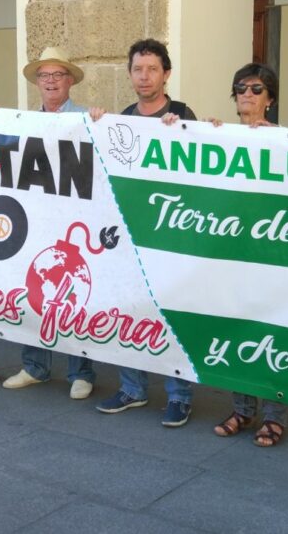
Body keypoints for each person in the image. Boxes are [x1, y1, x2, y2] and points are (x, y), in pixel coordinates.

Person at [96, 39, 197, 427]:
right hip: (130, 233)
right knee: (127, 310)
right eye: (138, 69)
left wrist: (188, 131)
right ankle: (132, 389)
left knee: (171, 315)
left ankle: (179, 395)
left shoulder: (185, 114)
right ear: (130, 74)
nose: (144, 76)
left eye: (152, 69)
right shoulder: (120, 118)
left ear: (166, 74)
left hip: (171, 236)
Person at [0, 47, 102, 399]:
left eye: (58, 75)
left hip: (74, 221)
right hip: (36, 222)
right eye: (45, 76)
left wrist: (105, 123)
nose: (51, 81)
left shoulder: (88, 118)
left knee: (75, 292)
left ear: (70, 81)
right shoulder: (23, 122)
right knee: (36, 289)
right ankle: (35, 367)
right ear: (37, 82)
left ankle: (80, 372)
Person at [201, 63, 288, 447]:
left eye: (257, 89)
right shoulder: (220, 135)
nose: (248, 95)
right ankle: (242, 409)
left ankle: (274, 416)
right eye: (241, 88)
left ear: (270, 98)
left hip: (270, 251)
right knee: (233, 328)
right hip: (230, 250)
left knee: (269, 332)